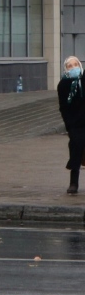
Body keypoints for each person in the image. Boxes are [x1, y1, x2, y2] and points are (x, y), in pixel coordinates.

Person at [57, 55, 85, 195]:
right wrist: (69, 125)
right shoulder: (63, 85)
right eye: (70, 66)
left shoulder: (83, 80)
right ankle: (73, 182)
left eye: (75, 64)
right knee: (76, 146)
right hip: (75, 124)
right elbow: (63, 107)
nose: (73, 67)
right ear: (66, 69)